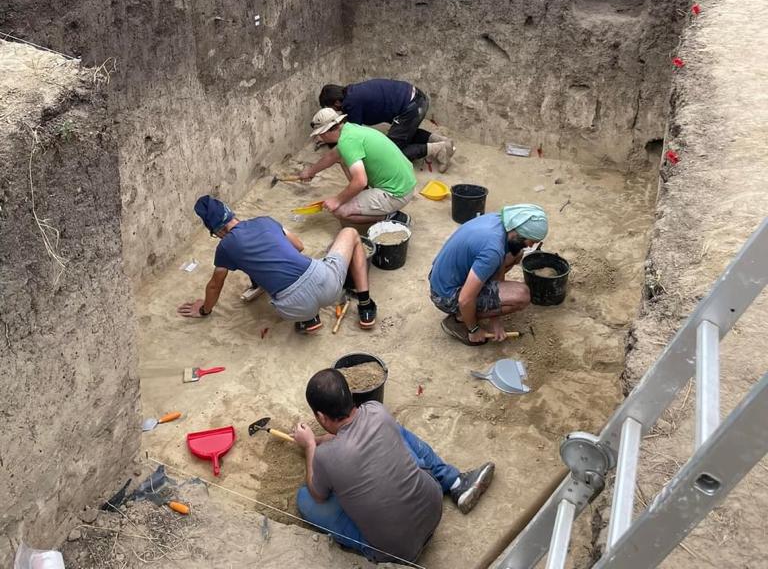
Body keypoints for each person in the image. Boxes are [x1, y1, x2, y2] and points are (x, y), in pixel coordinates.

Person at [293, 368, 495, 563]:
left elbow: (318, 495)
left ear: (321, 416)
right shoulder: (376, 411)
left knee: (305, 498)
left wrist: (310, 445)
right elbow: (350, 433)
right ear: (350, 395)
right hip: (433, 511)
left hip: (396, 550)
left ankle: (376, 549)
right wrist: (321, 440)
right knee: (395, 431)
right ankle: (455, 482)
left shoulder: (324, 457)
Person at [177, 195, 377, 333]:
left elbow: (215, 285)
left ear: (215, 231)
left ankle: (308, 319)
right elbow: (299, 246)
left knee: (277, 283)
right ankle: (366, 307)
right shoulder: (265, 221)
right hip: (328, 286)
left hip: (293, 308)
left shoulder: (225, 247)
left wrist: (204, 310)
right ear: (231, 214)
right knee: (350, 233)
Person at [429, 205, 549, 344]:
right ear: (519, 232)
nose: (530, 246)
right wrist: (473, 330)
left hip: (444, 279)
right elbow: (465, 299)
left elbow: (498, 268)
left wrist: (495, 320)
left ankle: (472, 307)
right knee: (522, 295)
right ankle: (459, 319)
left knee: (516, 254)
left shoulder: (498, 222)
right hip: (445, 296)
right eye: (531, 241)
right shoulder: (492, 250)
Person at [302, 108, 417, 229]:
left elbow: (360, 181)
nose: (320, 139)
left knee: (340, 211)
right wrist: (310, 172)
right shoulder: (350, 130)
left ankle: (392, 217)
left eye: (319, 135)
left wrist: (337, 200)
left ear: (325, 132)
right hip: (406, 183)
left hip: (396, 193)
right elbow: (332, 156)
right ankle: (367, 200)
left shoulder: (347, 142)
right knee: (343, 159)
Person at [318, 79, 454, 171]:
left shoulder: (351, 103)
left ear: (337, 102)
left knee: (390, 152)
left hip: (411, 107)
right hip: (417, 99)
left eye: (332, 108)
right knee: (405, 131)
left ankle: (439, 149)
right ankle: (442, 141)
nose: (335, 112)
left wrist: (333, 143)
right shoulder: (352, 92)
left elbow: (352, 135)